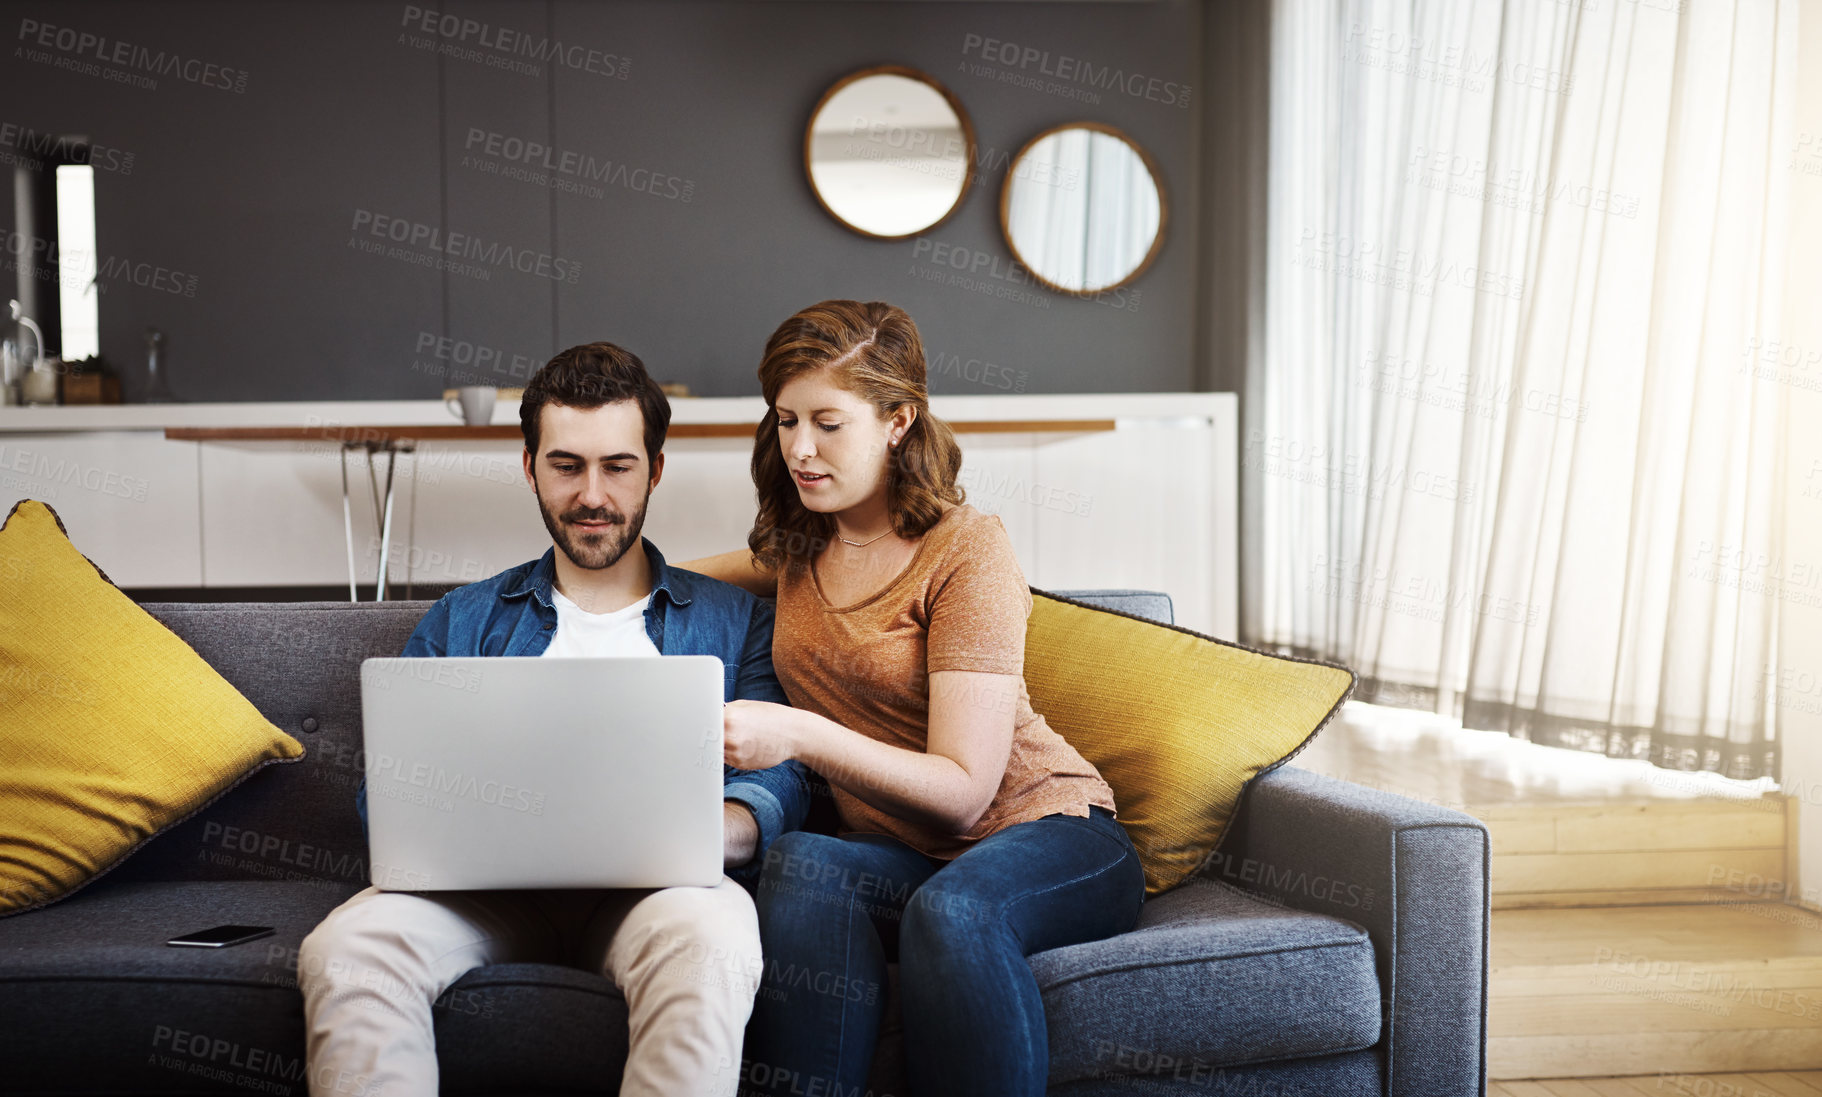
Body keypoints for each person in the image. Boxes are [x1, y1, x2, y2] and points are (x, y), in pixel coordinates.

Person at [299, 343, 813, 1097]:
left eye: (618, 465)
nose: (593, 494)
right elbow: (392, 793)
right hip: (479, 899)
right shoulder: (464, 619)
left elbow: (783, 774)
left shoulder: (738, 623)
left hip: (662, 898)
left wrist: (718, 829)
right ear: (530, 465)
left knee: (714, 942)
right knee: (345, 948)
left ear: (656, 469)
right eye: (567, 465)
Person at [683, 300, 1144, 1097]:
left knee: (955, 911)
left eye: (828, 422)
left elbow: (963, 795)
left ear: (898, 420)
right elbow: (669, 583)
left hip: (1049, 831)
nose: (799, 447)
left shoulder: (966, 548)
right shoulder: (798, 547)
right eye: (786, 419)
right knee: (800, 859)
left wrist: (799, 734)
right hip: (908, 855)